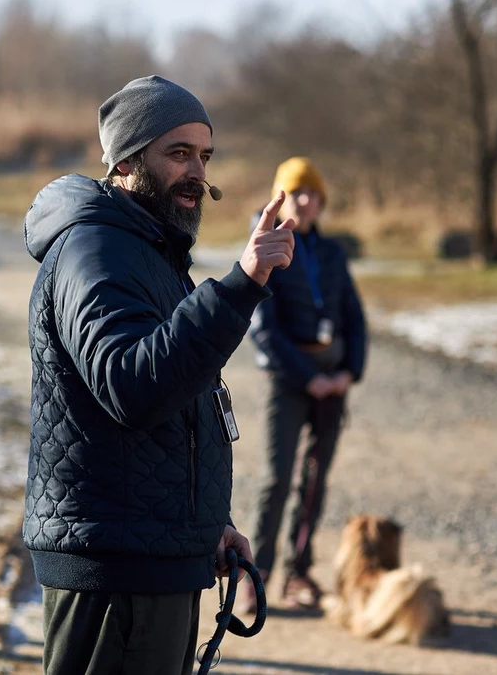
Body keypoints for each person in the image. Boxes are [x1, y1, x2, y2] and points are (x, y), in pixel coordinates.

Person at [22, 75, 298, 675]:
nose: (197, 171)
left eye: (204, 156)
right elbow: (132, 386)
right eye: (178, 154)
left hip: (154, 559)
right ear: (126, 160)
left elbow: (178, 396)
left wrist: (207, 527)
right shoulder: (95, 251)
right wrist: (239, 285)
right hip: (114, 574)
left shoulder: (149, 249)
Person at [242, 157, 368, 613]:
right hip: (289, 382)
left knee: (315, 481)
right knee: (276, 481)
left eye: (314, 193)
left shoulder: (332, 252)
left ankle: (299, 573)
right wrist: (309, 377)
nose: (307, 201)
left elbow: (354, 317)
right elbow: (263, 327)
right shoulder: (267, 245)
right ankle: (255, 580)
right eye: (298, 193)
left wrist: (346, 373)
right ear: (281, 197)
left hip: (333, 385)